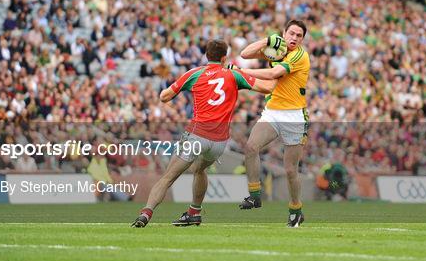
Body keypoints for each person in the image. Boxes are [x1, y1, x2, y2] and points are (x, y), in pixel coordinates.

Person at [131, 40, 277, 228]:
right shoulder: (234, 74)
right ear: (224, 58)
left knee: (168, 177)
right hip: (219, 142)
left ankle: (146, 212)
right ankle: (194, 212)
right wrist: (276, 71)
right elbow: (267, 88)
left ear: (206, 56)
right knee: (200, 169)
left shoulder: (194, 74)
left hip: (196, 135)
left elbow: (164, 96)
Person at [236, 19, 310, 227]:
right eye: (291, 34)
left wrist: (239, 71)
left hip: (294, 116)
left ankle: (296, 209)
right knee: (251, 147)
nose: (294, 38)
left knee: (290, 170)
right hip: (273, 112)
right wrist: (266, 41)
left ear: (302, 39)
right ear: (284, 33)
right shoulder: (276, 48)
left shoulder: (300, 55)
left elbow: (272, 74)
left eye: (299, 36)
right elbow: (245, 54)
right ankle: (254, 195)